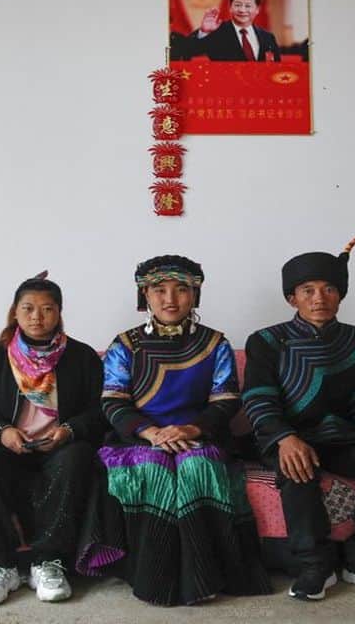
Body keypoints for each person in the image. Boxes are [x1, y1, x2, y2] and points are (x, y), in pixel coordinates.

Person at [76, 255, 271, 605]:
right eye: (159, 290)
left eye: (181, 289)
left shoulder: (215, 344)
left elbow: (226, 400)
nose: (170, 299)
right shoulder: (126, 345)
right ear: (144, 296)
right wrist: (150, 433)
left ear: (194, 295)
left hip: (199, 435)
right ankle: (151, 577)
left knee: (198, 467)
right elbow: (113, 402)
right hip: (139, 438)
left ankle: (204, 577)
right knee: (153, 471)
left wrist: (191, 430)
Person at [242, 226, 355, 601]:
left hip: (345, 437)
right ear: (292, 298)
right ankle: (312, 565)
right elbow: (259, 400)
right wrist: (284, 439)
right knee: (294, 467)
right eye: (308, 291)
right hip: (290, 436)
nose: (320, 298)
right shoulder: (266, 341)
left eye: (329, 289)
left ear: (340, 295)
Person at [0, 273, 106, 606]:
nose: (37, 317)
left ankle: (48, 562)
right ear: (15, 313)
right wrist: (1, 431)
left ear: (59, 313)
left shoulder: (81, 357)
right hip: (10, 446)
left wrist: (69, 430)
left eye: (47, 309)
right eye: (28, 309)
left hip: (59, 445)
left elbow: (101, 409)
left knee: (77, 457)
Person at [175, 0, 281, 62]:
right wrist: (204, 32)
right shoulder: (217, 31)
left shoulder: (267, 37)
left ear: (257, 10)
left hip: (259, 90)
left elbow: (276, 67)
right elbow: (186, 51)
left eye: (248, 6)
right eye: (237, 5)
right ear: (230, 8)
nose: (242, 10)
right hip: (226, 89)